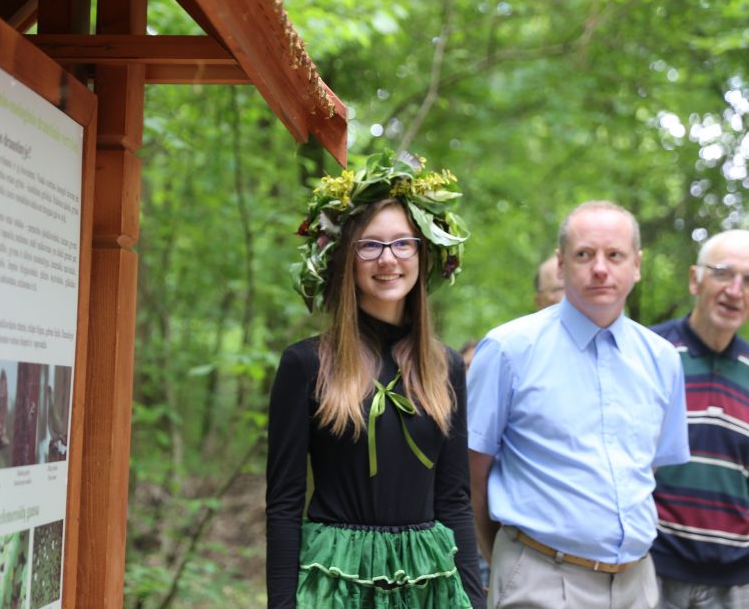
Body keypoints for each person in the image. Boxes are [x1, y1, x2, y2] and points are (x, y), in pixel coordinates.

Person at [267, 152, 485, 608]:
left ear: (422, 253)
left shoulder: (445, 367)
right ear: (347, 257)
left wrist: (474, 600)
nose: (388, 260)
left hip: (426, 580)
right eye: (370, 245)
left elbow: (455, 500)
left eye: (402, 243)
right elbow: (284, 505)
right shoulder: (307, 364)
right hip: (334, 578)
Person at [466, 200, 690, 608]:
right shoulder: (508, 350)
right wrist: (502, 558)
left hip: (637, 584)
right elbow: (472, 473)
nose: (600, 268)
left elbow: (647, 467)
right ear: (561, 263)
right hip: (541, 576)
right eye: (584, 254)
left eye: (615, 255)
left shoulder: (663, 359)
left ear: (636, 265)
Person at [649, 229, 749, 609]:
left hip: (737, 585)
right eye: (723, 273)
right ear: (696, 279)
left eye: (748, 280)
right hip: (649, 571)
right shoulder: (648, 352)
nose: (735, 290)